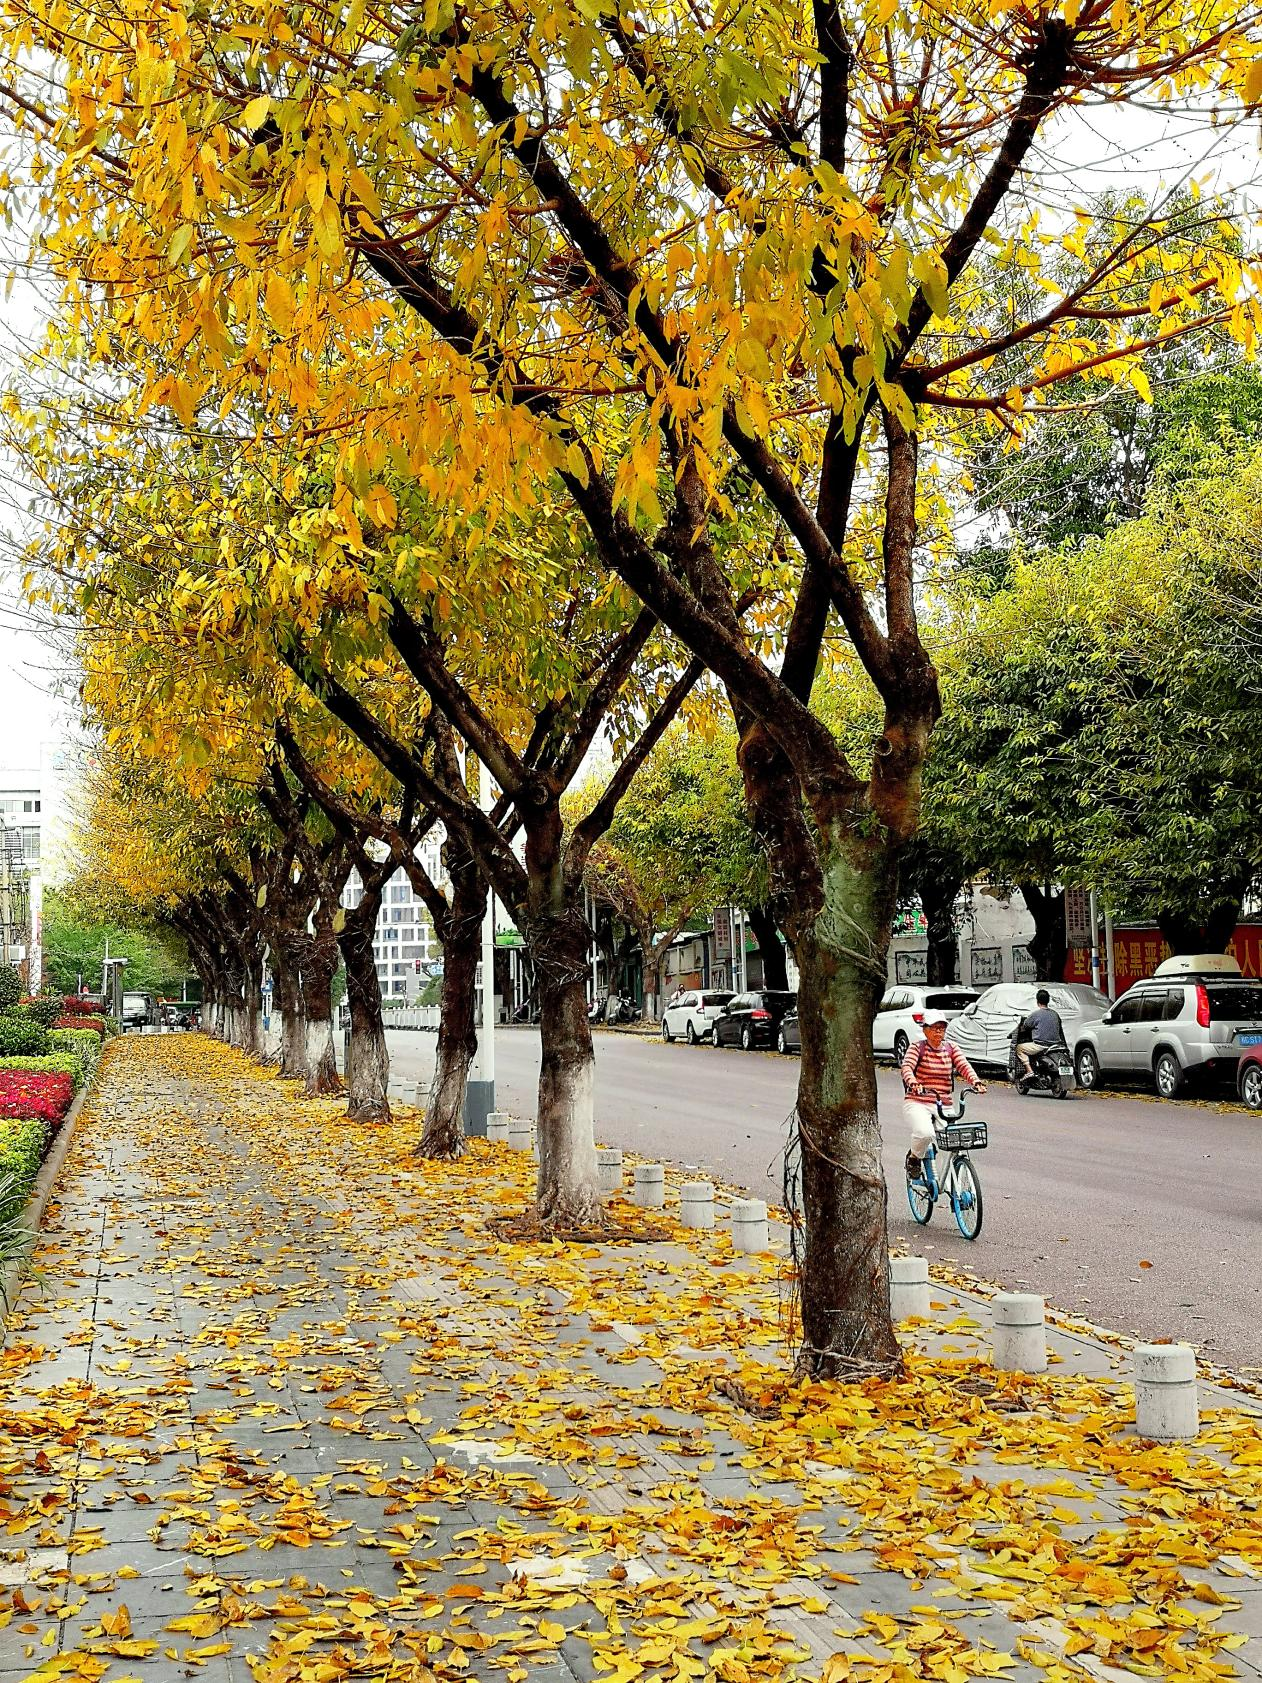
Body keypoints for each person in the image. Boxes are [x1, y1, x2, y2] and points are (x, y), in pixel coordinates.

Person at [901, 1010, 985, 1180]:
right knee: (925, 1133)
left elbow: (963, 1065)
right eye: (934, 1028)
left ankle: (955, 1186)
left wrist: (975, 1081)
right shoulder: (917, 1047)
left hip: (943, 1103)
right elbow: (907, 1067)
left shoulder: (951, 1048)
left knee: (955, 1141)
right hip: (918, 1101)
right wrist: (913, 1082)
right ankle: (914, 1158)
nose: (938, 1031)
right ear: (925, 1029)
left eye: (942, 1028)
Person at [1014, 988, 1065, 1079]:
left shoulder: (1036, 1014)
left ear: (1037, 1001)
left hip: (1040, 1046)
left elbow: (1025, 1025)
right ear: (1048, 1001)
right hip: (1056, 1045)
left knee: (1019, 1048)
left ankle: (1029, 1071)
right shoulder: (1055, 1014)